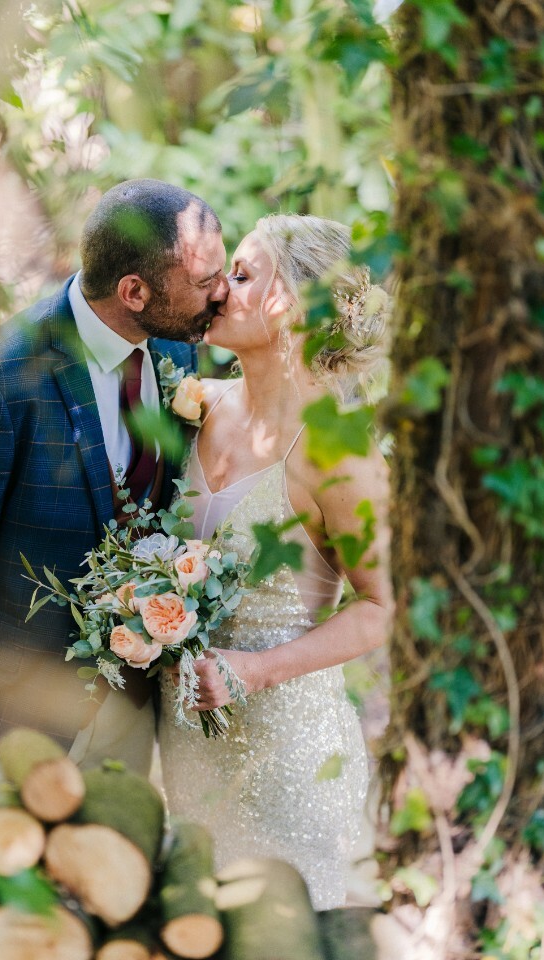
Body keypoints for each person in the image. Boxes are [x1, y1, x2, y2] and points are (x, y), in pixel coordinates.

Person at [0, 178, 229, 772]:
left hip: (135, 707)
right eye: (206, 282)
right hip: (18, 714)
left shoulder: (177, 350)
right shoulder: (8, 375)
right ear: (133, 291)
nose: (222, 294)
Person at [158, 213, 394, 910]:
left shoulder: (339, 452)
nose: (216, 290)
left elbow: (385, 607)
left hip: (288, 753)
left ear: (292, 304)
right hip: (188, 742)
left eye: (240, 275)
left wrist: (254, 669)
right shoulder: (203, 404)